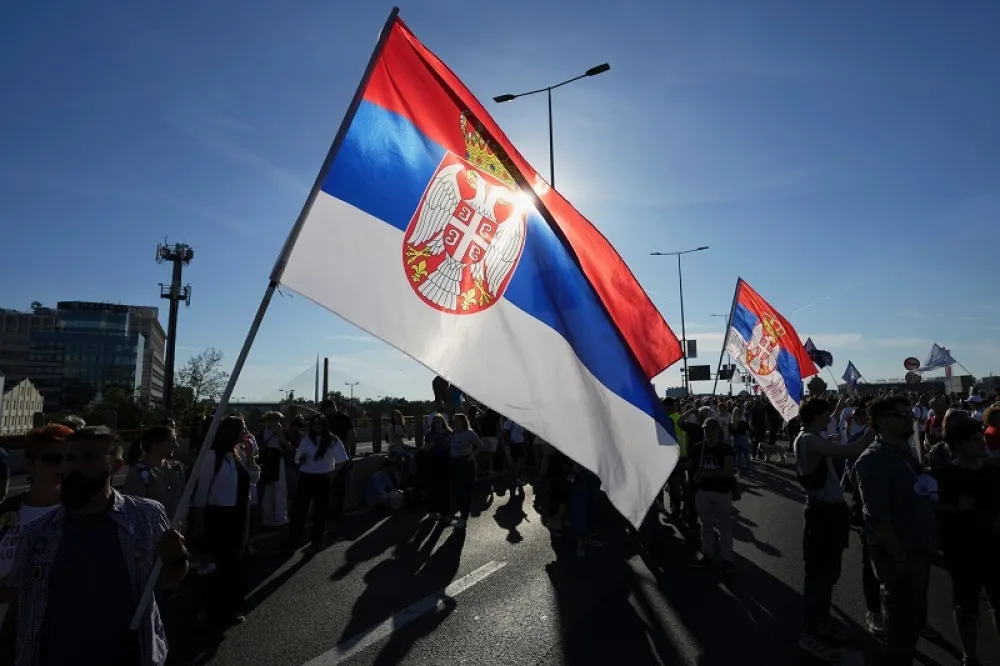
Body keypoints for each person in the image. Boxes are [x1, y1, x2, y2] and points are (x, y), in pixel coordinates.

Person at [6, 426, 188, 666]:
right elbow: (20, 608)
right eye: (69, 458)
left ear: (116, 465)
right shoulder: (36, 533)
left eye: (89, 458)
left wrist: (178, 559)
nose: (74, 467)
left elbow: (168, 580)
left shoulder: (147, 516)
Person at [855, 395, 938, 666]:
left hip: (918, 545)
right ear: (881, 421)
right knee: (900, 626)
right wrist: (898, 554)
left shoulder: (906, 452)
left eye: (908, 414)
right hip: (900, 552)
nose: (909, 418)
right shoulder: (874, 459)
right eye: (900, 415)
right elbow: (876, 515)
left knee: (913, 616)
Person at [794, 397, 873, 662]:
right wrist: (872, 430)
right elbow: (851, 451)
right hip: (822, 513)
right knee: (819, 573)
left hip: (830, 511)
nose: (830, 416)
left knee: (830, 570)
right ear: (816, 416)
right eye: (826, 412)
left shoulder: (814, 435)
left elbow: (833, 431)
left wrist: (840, 404)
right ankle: (808, 632)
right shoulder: (808, 440)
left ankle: (821, 621)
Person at [933, 415, 1000, 666]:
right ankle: (969, 656)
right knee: (966, 606)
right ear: (959, 445)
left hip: (995, 548)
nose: (982, 443)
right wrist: (954, 509)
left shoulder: (992, 471)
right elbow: (931, 507)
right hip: (963, 551)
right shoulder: (945, 476)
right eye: (974, 440)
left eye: (981, 437)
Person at [0, 425, 70, 641]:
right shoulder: (7, 510)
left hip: (52, 634)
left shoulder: (80, 515)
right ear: (29, 464)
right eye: (50, 458)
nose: (60, 465)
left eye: (67, 458)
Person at [190, 416, 257, 629]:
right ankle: (215, 611)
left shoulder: (236, 454)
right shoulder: (211, 457)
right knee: (221, 565)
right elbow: (201, 492)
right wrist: (199, 524)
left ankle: (232, 607)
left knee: (237, 563)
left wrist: (251, 458)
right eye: (243, 429)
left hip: (240, 514)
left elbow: (253, 479)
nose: (246, 433)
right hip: (220, 517)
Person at [287, 415, 348, 554]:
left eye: (320, 423)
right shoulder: (307, 440)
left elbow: (342, 460)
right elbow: (297, 459)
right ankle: (293, 541)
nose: (317, 426)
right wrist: (301, 460)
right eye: (314, 423)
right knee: (299, 511)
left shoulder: (333, 440)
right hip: (306, 476)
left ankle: (316, 542)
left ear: (325, 425)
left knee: (321, 511)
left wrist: (333, 473)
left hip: (323, 477)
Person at [689, 417, 738, 573]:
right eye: (706, 429)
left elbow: (728, 472)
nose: (709, 432)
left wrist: (706, 474)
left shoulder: (726, 449)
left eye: (712, 429)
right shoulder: (698, 448)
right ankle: (707, 556)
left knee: (725, 527)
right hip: (703, 493)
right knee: (706, 526)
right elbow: (692, 466)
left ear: (718, 431)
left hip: (721, 493)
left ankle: (727, 559)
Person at [123, 425, 186, 519]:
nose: (176, 445)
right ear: (155, 445)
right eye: (171, 441)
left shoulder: (176, 468)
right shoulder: (138, 472)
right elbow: (133, 508)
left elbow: (184, 498)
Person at [449, 413, 482, 530]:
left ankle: (464, 516)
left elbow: (480, 446)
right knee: (456, 490)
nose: (454, 422)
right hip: (454, 463)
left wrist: (470, 457)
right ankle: (462, 511)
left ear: (463, 421)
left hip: (465, 463)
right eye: (453, 420)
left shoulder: (469, 433)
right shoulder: (453, 433)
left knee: (464, 490)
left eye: (457, 420)